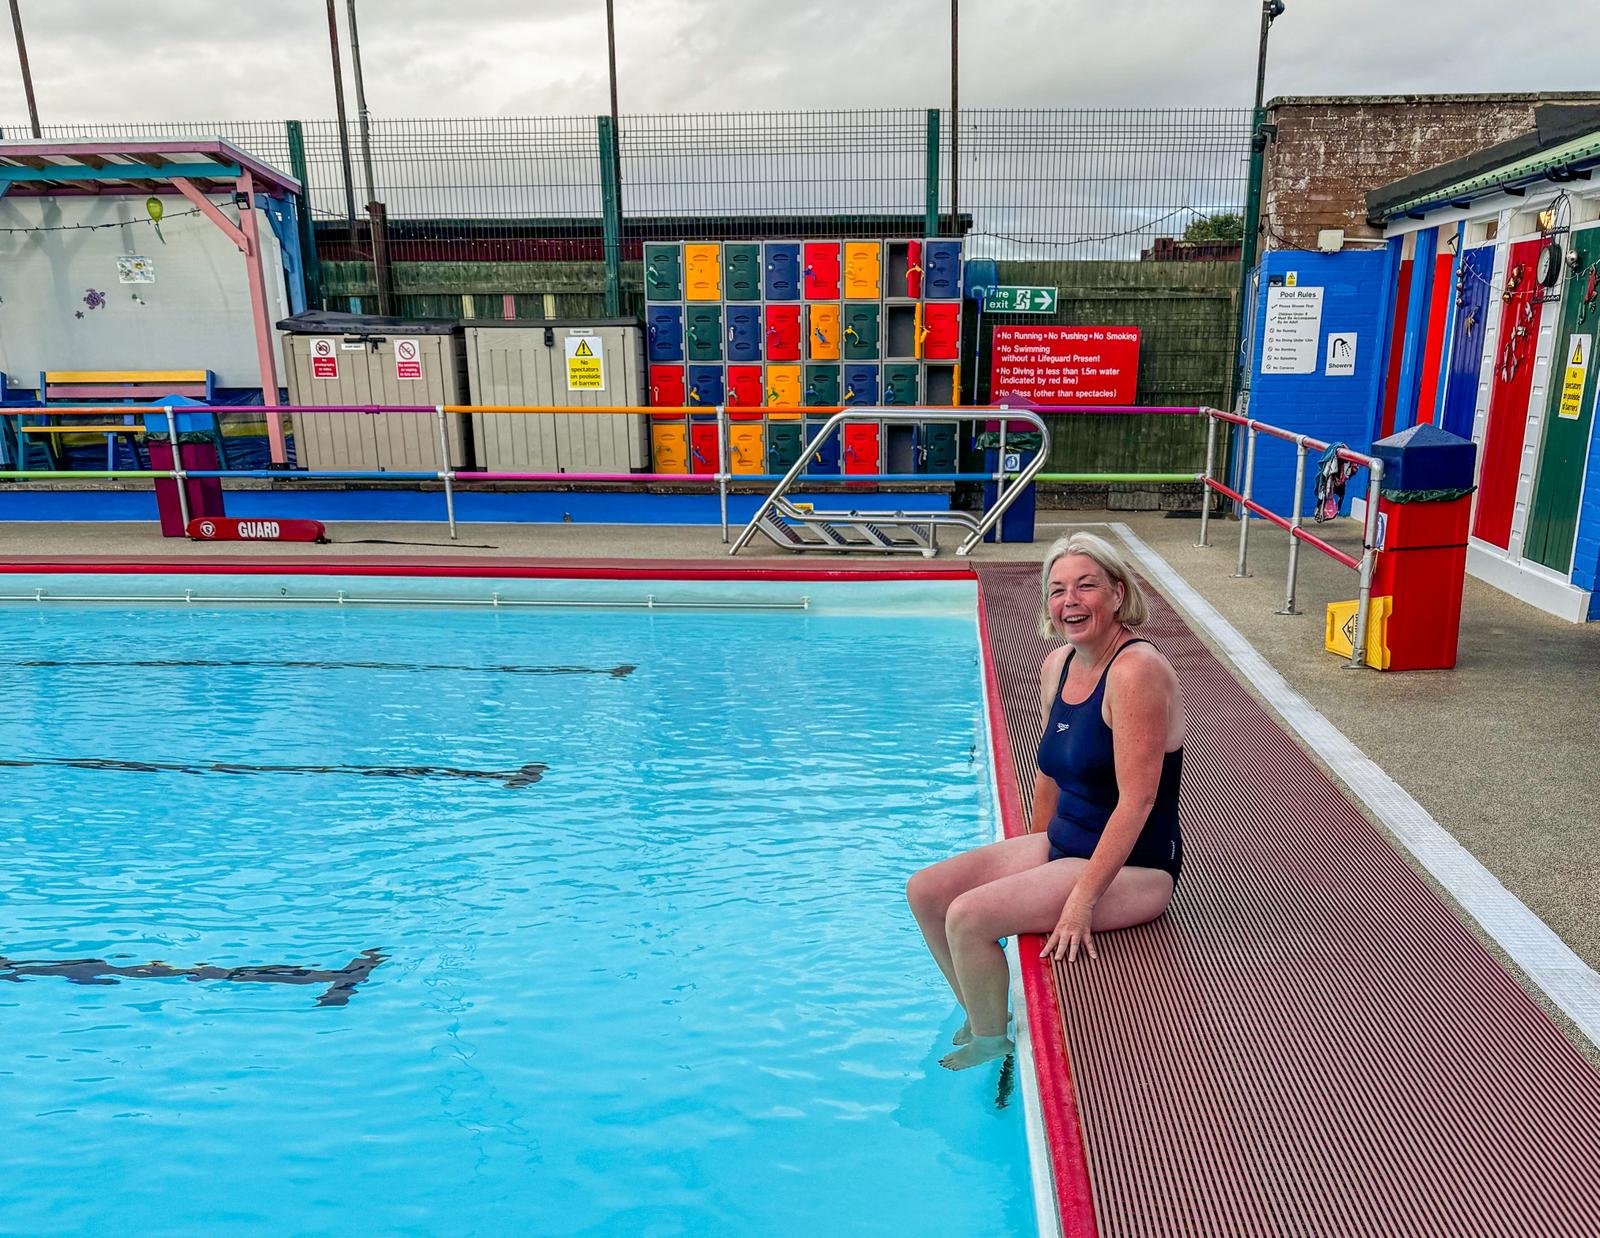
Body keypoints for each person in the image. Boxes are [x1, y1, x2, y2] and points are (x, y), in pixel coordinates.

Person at [906, 532, 1185, 1070]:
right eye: (1057, 590)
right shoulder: (1058, 664)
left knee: (968, 916)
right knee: (927, 892)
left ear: (1119, 594)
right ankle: (983, 1011)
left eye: (1086, 586)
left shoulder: (1135, 672)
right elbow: (1049, 771)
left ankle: (992, 1048)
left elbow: (1139, 801)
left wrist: (1080, 903)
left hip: (1135, 868)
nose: (1070, 601)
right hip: (1065, 842)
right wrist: (1031, 846)